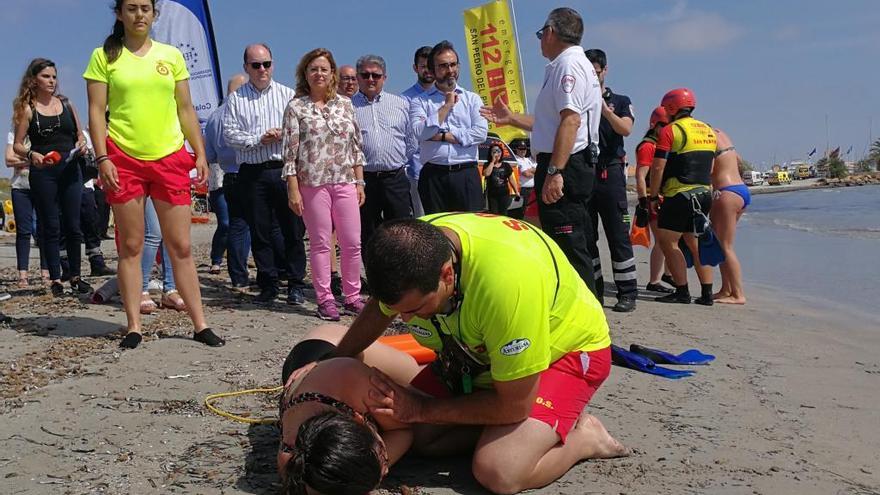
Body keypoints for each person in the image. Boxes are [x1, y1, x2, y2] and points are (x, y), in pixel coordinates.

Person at [321, 215, 626, 494]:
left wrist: (421, 409)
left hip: (566, 352)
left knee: (498, 470)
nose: (408, 321)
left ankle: (585, 438)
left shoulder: (504, 287)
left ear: (447, 274)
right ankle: (516, 430)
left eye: (415, 310)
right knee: (424, 438)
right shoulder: (413, 247)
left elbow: (515, 405)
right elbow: (380, 308)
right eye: (400, 312)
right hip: (484, 355)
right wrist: (334, 361)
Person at [84, 0, 223, 348]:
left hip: (169, 157)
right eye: (131, 8)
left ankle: (200, 323)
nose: (139, 14)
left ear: (153, 13)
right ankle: (134, 326)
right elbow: (97, 112)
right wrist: (103, 158)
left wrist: (200, 152)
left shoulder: (171, 55)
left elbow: (186, 108)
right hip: (123, 158)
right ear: (119, 14)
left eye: (145, 8)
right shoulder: (104, 56)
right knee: (131, 245)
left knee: (181, 246)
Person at [480, 7, 603, 297]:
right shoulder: (567, 65)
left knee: (568, 243)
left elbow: (571, 121)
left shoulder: (568, 66)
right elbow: (550, 123)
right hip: (566, 161)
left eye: (540, 34)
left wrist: (555, 172)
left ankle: (584, 314)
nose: (539, 41)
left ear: (550, 32)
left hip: (567, 164)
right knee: (570, 240)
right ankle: (583, 308)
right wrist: (512, 119)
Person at [277, 325, 421, 494]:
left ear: (361, 419)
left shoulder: (355, 383)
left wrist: (382, 464)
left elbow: (403, 430)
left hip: (331, 344)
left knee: (415, 377)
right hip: (311, 382)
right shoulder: (299, 466)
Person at [282, 48, 367, 321]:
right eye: (313, 69)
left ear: (333, 74)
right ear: (305, 74)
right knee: (320, 243)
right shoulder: (296, 107)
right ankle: (325, 298)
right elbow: (290, 152)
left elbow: (356, 146)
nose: (319, 73)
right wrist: (293, 188)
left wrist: (360, 180)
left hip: (344, 181)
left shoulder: (345, 104)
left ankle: (352, 296)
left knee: (352, 242)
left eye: (324, 69)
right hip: (312, 183)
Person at [223, 43, 308, 305]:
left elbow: (303, 130)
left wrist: (283, 136)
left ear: (273, 64)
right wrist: (259, 139)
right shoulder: (237, 98)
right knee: (259, 231)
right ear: (246, 67)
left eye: (266, 64)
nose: (262, 70)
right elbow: (229, 134)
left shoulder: (288, 95)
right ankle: (268, 283)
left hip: (284, 169)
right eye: (256, 65)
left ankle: (295, 283)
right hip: (253, 171)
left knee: (293, 229)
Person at [12, 58, 92, 298]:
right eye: (46, 76)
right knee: (50, 225)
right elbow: (17, 145)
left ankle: (76, 276)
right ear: (33, 79)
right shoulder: (28, 109)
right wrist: (31, 153)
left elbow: (80, 135)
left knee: (73, 223)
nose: (52, 81)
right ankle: (55, 278)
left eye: (54, 77)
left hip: (70, 169)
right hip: (43, 172)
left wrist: (82, 145)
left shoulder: (67, 104)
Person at [649, 88, 716, 306]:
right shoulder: (708, 130)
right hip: (704, 193)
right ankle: (707, 294)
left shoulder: (670, 130)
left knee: (669, 242)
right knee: (694, 242)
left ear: (670, 108)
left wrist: (653, 194)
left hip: (679, 194)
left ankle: (682, 291)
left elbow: (658, 166)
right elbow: (711, 165)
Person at [584, 49, 638, 312]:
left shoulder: (620, 100)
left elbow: (625, 128)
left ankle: (627, 293)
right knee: (586, 236)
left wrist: (604, 110)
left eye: (596, 72)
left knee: (618, 236)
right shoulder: (576, 101)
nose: (592, 77)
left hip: (611, 173)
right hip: (584, 172)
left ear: (605, 71)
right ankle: (594, 292)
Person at [410, 40, 488, 214]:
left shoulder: (472, 99)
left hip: (466, 173)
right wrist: (446, 106)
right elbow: (420, 132)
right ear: (432, 70)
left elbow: (480, 133)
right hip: (433, 175)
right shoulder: (420, 101)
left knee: (470, 228)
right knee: (438, 232)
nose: (450, 70)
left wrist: (443, 135)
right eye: (443, 66)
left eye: (453, 65)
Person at [352, 54, 415, 245]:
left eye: (376, 75)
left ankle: (400, 274)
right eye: (365, 75)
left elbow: (411, 141)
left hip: (395, 178)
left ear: (384, 78)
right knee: (368, 232)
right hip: (364, 181)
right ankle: (373, 273)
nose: (371, 79)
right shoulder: (347, 107)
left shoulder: (401, 104)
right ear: (358, 77)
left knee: (401, 231)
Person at [204, 74, 250, 285]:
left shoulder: (214, 117)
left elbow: (210, 154)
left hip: (224, 175)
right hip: (238, 174)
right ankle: (233, 266)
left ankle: (238, 270)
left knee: (231, 224)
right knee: (237, 224)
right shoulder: (241, 113)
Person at [634, 106, 674, 294]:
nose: (668, 129)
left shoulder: (660, 144)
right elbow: (641, 175)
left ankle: (667, 275)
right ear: (655, 125)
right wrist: (644, 200)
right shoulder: (648, 146)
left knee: (669, 240)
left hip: (661, 197)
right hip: (653, 199)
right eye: (665, 125)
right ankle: (655, 280)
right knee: (661, 240)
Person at [6, 130, 49, 288]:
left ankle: (46, 271)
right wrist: (32, 159)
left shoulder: (43, 131)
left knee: (43, 230)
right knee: (23, 232)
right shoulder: (14, 134)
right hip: (20, 187)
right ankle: (22, 274)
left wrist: (21, 159)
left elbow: (47, 159)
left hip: (42, 186)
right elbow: (8, 160)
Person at [710, 128, 749, 304]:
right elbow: (739, 160)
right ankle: (726, 289)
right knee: (721, 244)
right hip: (740, 190)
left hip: (726, 193)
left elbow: (708, 168)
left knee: (725, 246)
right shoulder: (722, 135)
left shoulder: (706, 137)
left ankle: (738, 294)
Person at [401, 46, 434, 218]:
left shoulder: (449, 96)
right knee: (423, 220)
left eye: (430, 65)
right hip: (417, 171)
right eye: (423, 66)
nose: (427, 70)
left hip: (444, 168)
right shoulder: (404, 99)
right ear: (415, 68)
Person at [483, 143, 519, 215]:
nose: (497, 153)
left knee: (503, 213)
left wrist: (516, 191)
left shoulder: (506, 165)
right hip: (492, 194)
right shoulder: (487, 164)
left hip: (504, 194)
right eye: (494, 152)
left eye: (498, 151)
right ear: (491, 153)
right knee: (494, 214)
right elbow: (486, 174)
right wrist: (492, 162)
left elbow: (511, 179)